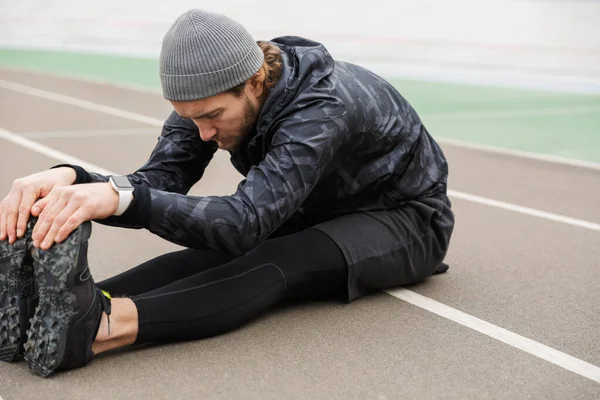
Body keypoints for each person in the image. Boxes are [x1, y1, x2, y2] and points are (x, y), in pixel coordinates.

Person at [0, 9, 454, 377]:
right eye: (188, 117)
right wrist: (74, 179)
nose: (202, 132)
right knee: (204, 250)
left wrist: (119, 198)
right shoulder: (205, 92)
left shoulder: (321, 108)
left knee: (279, 258)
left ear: (255, 82)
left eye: (213, 116)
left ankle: (102, 328)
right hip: (315, 201)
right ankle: (55, 313)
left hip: (404, 217)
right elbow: (160, 181)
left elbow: (244, 223)